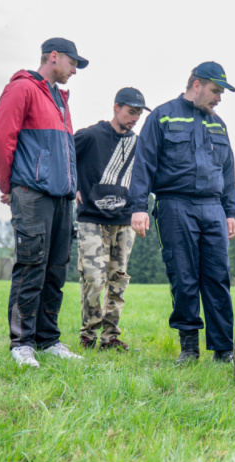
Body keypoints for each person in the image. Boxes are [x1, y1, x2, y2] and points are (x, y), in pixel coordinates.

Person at [0, 37, 89, 367]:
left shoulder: (60, 100)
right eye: (73, 62)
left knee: (55, 271)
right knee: (31, 267)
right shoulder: (23, 88)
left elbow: (66, 149)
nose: (75, 69)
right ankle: (22, 344)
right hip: (32, 194)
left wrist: (71, 185)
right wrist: (10, 184)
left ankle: (48, 341)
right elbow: (0, 138)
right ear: (54, 57)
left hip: (62, 199)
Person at [129, 61, 235, 365]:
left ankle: (223, 350)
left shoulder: (218, 125)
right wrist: (138, 207)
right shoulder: (162, 116)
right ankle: (189, 348)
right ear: (197, 84)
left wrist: (231, 212)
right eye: (216, 91)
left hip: (213, 207)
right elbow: (144, 164)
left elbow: (228, 172)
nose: (219, 98)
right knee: (184, 277)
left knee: (218, 278)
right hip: (174, 204)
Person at [74, 88, 150, 351]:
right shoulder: (90, 135)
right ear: (116, 107)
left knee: (118, 278)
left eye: (138, 114)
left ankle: (111, 337)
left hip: (124, 219)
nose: (134, 118)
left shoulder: (139, 143)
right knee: (94, 278)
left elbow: (146, 175)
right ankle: (88, 334)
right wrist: (72, 186)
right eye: (131, 112)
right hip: (92, 219)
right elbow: (63, 158)